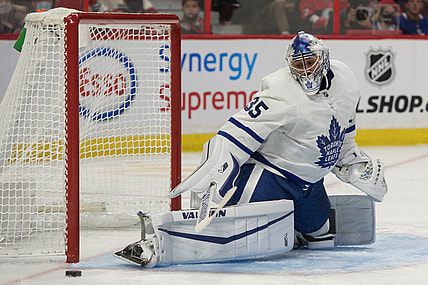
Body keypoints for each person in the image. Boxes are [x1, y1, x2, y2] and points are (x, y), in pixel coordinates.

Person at [114, 31, 388, 268]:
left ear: (324, 58)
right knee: (238, 237)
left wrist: (352, 161)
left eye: (310, 61)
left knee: (322, 240)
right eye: (298, 63)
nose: (304, 70)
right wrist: (219, 169)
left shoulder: (346, 79)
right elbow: (236, 132)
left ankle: (290, 229)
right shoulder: (281, 90)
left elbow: (344, 130)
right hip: (270, 177)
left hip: (310, 184)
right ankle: (159, 243)